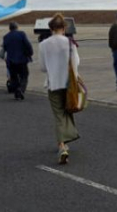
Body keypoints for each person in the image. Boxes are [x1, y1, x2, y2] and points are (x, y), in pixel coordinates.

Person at [39, 13, 80, 164]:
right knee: (68, 110)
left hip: (53, 84)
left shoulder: (43, 45)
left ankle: (62, 145)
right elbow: (76, 64)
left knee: (58, 115)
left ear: (50, 28)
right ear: (63, 28)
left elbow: (43, 68)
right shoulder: (70, 43)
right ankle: (65, 141)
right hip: (68, 84)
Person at [2, 22, 33, 100]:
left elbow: (5, 48)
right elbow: (28, 45)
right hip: (21, 60)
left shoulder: (6, 36)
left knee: (14, 78)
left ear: (9, 28)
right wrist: (30, 53)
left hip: (11, 61)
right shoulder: (21, 34)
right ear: (17, 27)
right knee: (24, 76)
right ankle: (20, 90)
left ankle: (17, 91)